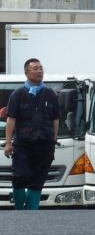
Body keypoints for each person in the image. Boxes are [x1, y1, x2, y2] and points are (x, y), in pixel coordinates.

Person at [4, 58, 60, 211]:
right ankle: (19, 209)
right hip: (23, 144)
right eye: (35, 68)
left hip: (45, 143)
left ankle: (31, 211)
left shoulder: (50, 94)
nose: (39, 71)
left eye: (41, 68)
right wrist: (8, 143)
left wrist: (53, 139)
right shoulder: (18, 94)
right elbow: (11, 120)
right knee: (19, 176)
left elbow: (55, 119)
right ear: (26, 72)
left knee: (38, 179)